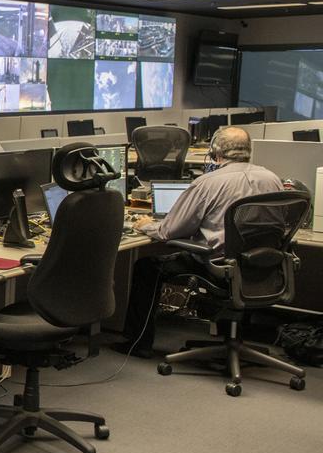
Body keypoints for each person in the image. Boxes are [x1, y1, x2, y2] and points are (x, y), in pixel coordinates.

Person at [119, 126, 282, 356]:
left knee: (147, 267)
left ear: (215, 152)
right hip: (260, 266)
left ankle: (138, 344)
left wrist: (145, 224)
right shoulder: (272, 179)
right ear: (249, 150)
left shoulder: (208, 183)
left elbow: (170, 231)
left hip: (216, 267)